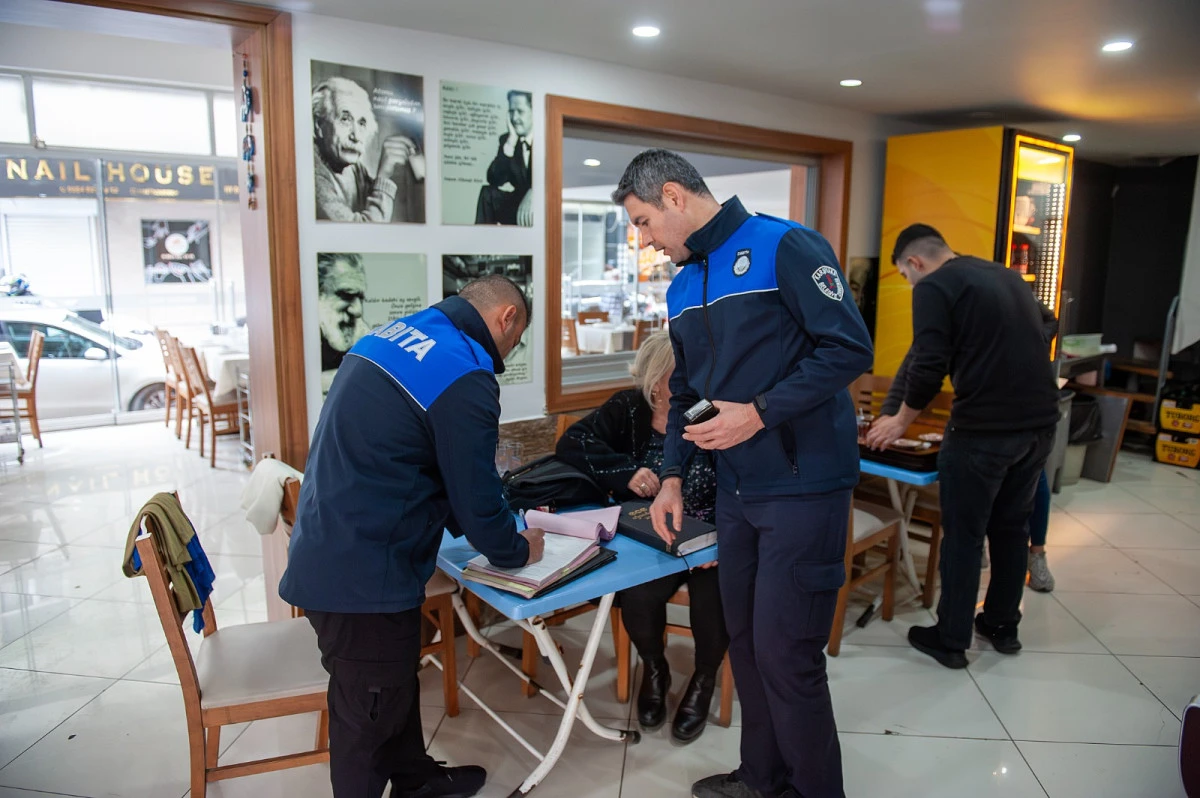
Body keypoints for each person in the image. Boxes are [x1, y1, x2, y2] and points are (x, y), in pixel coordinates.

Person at [614, 149, 874, 798]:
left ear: (674, 196)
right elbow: (687, 393)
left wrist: (758, 413)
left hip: (803, 488)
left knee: (789, 657)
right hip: (735, 492)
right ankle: (762, 780)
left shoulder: (785, 246)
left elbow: (849, 348)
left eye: (643, 222)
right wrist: (672, 477)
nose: (643, 240)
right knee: (748, 647)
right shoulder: (681, 286)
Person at [279, 275, 546, 798]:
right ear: (507, 318)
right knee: (368, 719)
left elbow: (407, 452)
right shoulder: (464, 372)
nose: (507, 357)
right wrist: (518, 547)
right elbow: (475, 496)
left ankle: (417, 782)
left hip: (331, 545)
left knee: (393, 684)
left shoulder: (393, 335)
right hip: (362, 578)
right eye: (514, 344)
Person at [866, 223, 1058, 669]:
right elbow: (1047, 321)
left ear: (915, 263)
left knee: (965, 536)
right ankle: (1002, 625)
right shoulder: (1004, 276)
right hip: (1040, 425)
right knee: (1012, 529)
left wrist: (900, 421)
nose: (910, 284)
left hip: (984, 430)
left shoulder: (934, 286)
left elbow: (929, 364)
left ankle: (951, 639)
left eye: (906, 276)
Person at [556, 331, 726, 744]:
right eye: (681, 375)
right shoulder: (629, 409)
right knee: (638, 595)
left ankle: (704, 679)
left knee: (715, 598)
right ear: (655, 383)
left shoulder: (711, 413)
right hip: (652, 535)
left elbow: (744, 482)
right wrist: (625, 472)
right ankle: (654, 667)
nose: (693, 382)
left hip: (712, 536)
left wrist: (724, 537)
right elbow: (572, 443)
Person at [312, 76, 425, 223]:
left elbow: (373, 196)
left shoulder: (354, 168)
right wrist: (384, 176)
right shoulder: (313, 174)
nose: (356, 136)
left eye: (361, 123)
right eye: (345, 119)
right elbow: (363, 230)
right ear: (319, 126)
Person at [475, 90, 533, 226]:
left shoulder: (547, 139)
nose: (515, 118)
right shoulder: (507, 140)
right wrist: (511, 143)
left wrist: (535, 192)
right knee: (487, 193)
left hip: (542, 208)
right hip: (519, 209)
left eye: (520, 111)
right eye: (511, 112)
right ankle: (481, 238)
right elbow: (494, 179)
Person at [317, 252, 372, 394]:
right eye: (347, 295)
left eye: (360, 298)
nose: (358, 310)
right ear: (318, 295)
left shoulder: (361, 338)